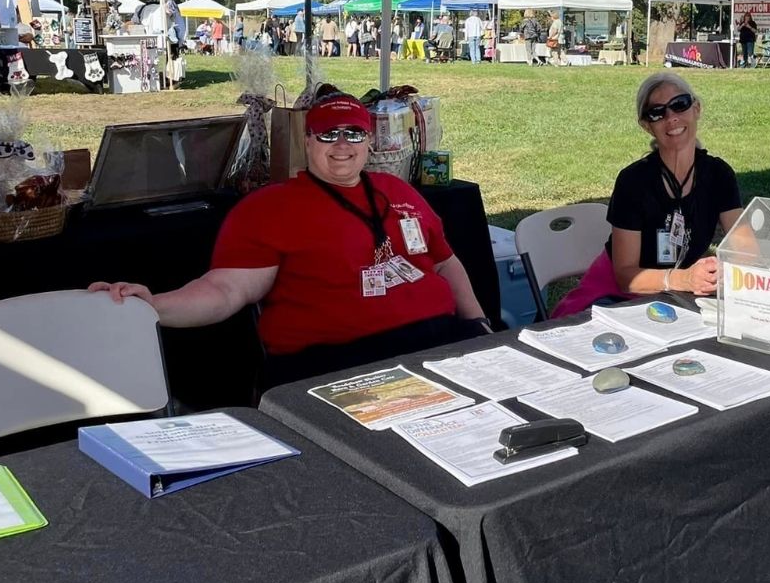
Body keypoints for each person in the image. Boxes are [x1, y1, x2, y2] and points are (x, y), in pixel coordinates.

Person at [89, 94, 492, 387]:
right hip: (342, 365)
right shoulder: (271, 208)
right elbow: (225, 290)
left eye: (354, 134)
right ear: (308, 141)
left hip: (440, 342)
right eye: (328, 134)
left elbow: (444, 262)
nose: (341, 145)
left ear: (370, 142)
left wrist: (478, 324)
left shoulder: (398, 190)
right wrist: (152, 306)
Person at [552, 72, 743, 316]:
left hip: (676, 298)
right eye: (657, 112)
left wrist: (729, 268)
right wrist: (683, 279)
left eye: (680, 105)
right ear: (647, 126)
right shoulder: (634, 181)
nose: (671, 118)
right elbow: (626, 277)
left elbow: (744, 246)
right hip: (616, 298)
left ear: (696, 108)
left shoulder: (718, 174)